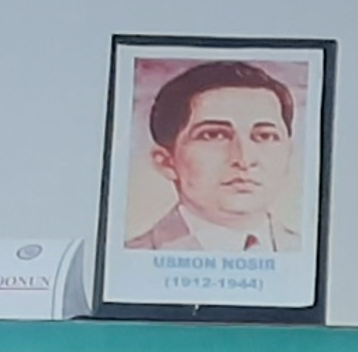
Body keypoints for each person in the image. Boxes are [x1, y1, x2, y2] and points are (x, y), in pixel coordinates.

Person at [127, 60, 304, 255]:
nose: (244, 159)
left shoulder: (307, 251)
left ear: (288, 154)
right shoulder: (134, 255)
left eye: (265, 136)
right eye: (214, 135)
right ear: (166, 162)